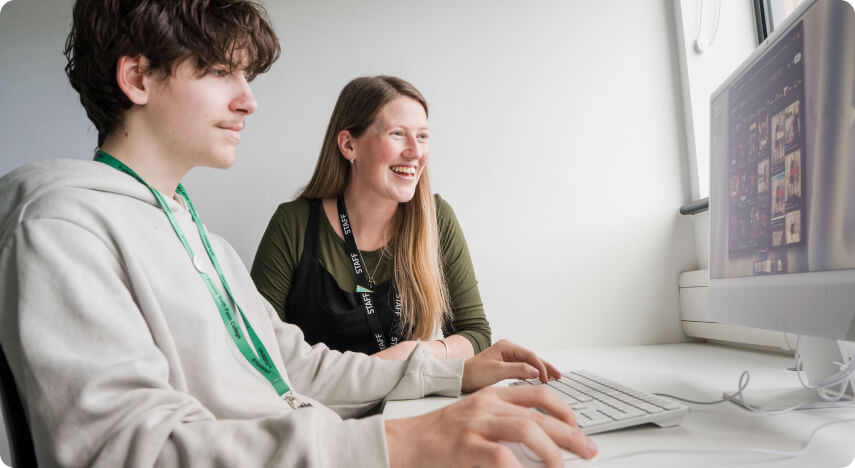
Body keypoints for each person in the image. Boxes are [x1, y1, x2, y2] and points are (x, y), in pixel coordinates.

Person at [0, 0, 598, 466]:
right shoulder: (61, 229)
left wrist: (452, 374)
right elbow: (129, 452)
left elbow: (296, 369)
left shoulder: (197, 236)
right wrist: (402, 446)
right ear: (138, 78)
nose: (249, 100)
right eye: (218, 72)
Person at [252, 76, 489, 360]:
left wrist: (413, 352)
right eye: (398, 133)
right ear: (349, 146)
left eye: (423, 135)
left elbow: (476, 334)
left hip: (406, 403)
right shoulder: (294, 223)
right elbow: (259, 346)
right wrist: (373, 370)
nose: (416, 151)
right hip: (320, 402)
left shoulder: (437, 218)